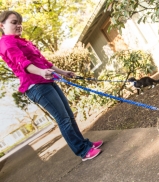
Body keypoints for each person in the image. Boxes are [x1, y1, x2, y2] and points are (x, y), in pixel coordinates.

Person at [0, 10, 102, 161]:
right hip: (35, 85)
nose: (18, 25)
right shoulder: (6, 42)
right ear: (2, 25)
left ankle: (85, 144)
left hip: (46, 81)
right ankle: (83, 151)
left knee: (69, 116)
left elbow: (44, 62)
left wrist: (64, 72)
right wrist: (41, 72)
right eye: (14, 22)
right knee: (63, 119)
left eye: (20, 23)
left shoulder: (22, 41)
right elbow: (22, 63)